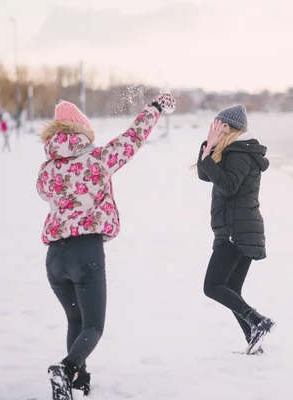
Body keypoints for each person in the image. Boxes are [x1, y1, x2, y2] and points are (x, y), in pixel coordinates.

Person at [36, 93, 175, 399]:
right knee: (94, 325)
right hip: (85, 254)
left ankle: (78, 382)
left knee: (76, 320)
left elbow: (44, 193)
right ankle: (67, 368)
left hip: (55, 259)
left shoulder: (47, 168)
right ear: (82, 132)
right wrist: (154, 108)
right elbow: (133, 137)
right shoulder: (97, 159)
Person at [195, 104, 275, 355]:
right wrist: (207, 147)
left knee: (213, 286)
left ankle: (258, 321)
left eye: (221, 126)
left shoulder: (240, 154)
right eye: (214, 125)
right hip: (235, 228)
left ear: (232, 129)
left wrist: (211, 153)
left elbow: (228, 186)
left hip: (236, 231)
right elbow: (204, 175)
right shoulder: (230, 152)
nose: (216, 129)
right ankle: (254, 337)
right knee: (232, 290)